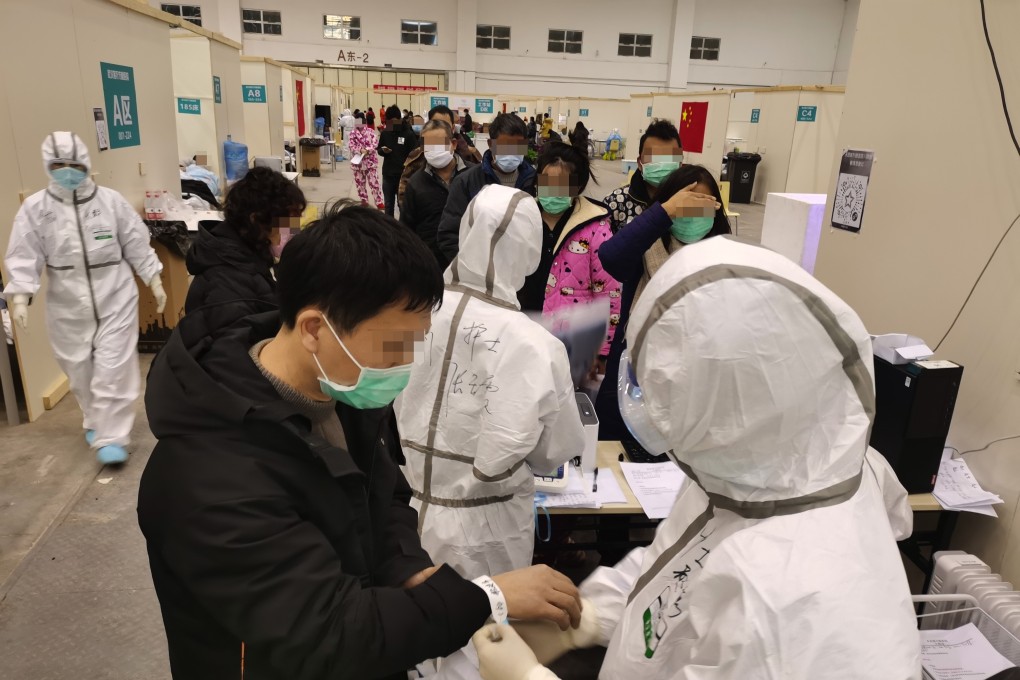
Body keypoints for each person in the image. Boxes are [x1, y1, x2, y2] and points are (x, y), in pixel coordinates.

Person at [138, 201, 585, 680]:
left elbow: (383, 499)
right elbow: (329, 637)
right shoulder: (209, 475)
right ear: (315, 329)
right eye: (396, 345)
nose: (406, 364)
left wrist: (408, 569)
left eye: (417, 343)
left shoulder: (343, 392)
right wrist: (485, 597)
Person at [472, 236, 921, 680]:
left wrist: (527, 678)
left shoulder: (793, 600)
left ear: (729, 398)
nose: (638, 398)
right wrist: (592, 617)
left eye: (662, 389)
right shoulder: (753, 468)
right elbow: (678, 565)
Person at [396, 184, 585, 579]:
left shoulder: (408, 313)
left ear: (465, 231)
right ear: (531, 251)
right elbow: (556, 451)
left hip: (401, 517)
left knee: (411, 610)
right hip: (487, 533)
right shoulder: (537, 345)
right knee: (487, 614)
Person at [3, 131, 165, 465]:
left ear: (86, 164)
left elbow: (136, 241)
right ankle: (95, 418)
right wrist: (19, 296)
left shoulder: (110, 202)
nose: (68, 171)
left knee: (113, 366)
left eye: (74, 165)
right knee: (79, 369)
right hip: (66, 300)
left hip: (114, 293)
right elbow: (24, 253)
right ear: (48, 166)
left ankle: (112, 436)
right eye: (59, 165)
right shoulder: (36, 209)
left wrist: (154, 278)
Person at [595, 165, 725, 439]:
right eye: (686, 206)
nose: (693, 214)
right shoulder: (646, 250)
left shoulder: (724, 258)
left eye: (701, 206)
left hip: (692, 395)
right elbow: (611, 257)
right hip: (632, 386)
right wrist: (664, 212)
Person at [517, 143, 621, 361]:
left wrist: (602, 351)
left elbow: (608, 292)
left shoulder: (595, 228)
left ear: (577, 187)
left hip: (571, 341)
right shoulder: (521, 218)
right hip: (521, 331)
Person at [185, 167, 307, 333]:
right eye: (287, 225)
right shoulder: (227, 285)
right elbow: (233, 343)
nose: (293, 232)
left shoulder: (250, 254)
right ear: (257, 221)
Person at [436, 113, 536, 267]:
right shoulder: (467, 182)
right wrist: (474, 269)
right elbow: (449, 234)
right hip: (478, 273)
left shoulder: (535, 181)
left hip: (522, 273)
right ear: (490, 144)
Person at [399, 120, 467, 263]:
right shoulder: (415, 183)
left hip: (468, 260)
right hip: (430, 262)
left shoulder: (472, 176)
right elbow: (406, 228)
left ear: (453, 144)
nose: (435, 150)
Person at [604, 119, 683, 231]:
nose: (661, 164)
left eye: (669, 158)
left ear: (680, 163)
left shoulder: (690, 202)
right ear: (639, 163)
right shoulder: (614, 203)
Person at [398, 104, 481, 209]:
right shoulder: (418, 155)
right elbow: (404, 194)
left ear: (453, 127)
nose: (440, 128)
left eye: (445, 124)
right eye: (436, 123)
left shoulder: (468, 153)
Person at [378, 105, 417, 217]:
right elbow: (379, 149)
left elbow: (414, 153)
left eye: (394, 121)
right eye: (390, 122)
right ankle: (388, 226)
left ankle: (402, 226)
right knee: (388, 205)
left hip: (403, 176)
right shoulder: (385, 133)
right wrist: (383, 151)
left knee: (402, 205)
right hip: (388, 174)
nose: (392, 124)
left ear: (399, 119)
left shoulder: (408, 134)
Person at [349, 119, 385, 210]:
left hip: (370, 161)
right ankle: (364, 200)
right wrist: (360, 150)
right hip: (358, 162)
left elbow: (375, 143)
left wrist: (368, 150)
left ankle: (379, 202)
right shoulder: (352, 133)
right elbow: (351, 145)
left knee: (374, 183)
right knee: (360, 183)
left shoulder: (371, 132)